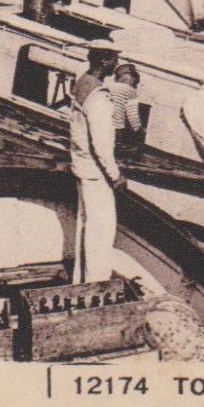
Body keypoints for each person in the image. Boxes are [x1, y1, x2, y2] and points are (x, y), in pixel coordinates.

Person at [70, 43, 128, 284]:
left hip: (81, 167)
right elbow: (102, 144)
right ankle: (97, 284)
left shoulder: (81, 83)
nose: (116, 65)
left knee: (85, 227)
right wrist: (116, 176)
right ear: (104, 61)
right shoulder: (98, 97)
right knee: (101, 231)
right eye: (114, 59)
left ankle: (81, 280)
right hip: (96, 174)